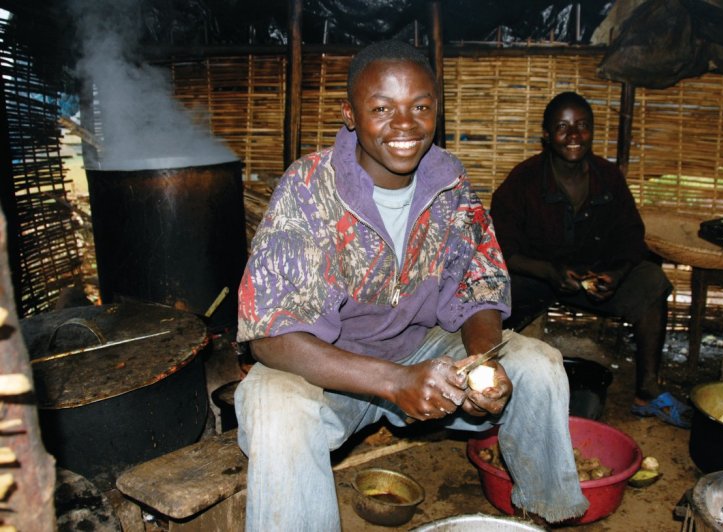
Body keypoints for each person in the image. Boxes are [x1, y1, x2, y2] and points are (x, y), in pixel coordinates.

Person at [234, 40, 588, 530]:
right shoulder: (309, 187)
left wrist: (482, 365)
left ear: (436, 111)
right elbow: (271, 335)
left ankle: (542, 514)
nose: (405, 125)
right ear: (351, 115)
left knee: (540, 366)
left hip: (422, 353)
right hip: (328, 365)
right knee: (275, 411)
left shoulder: (449, 182)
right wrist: (393, 382)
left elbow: (478, 281)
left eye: (420, 107)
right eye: (382, 108)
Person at [490, 91, 691, 429]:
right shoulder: (522, 181)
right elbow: (501, 249)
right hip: (537, 276)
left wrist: (616, 272)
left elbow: (631, 236)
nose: (573, 136)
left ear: (593, 131)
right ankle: (492, 384)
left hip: (595, 280)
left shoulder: (608, 177)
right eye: (562, 127)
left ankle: (648, 393)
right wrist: (550, 272)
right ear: (546, 134)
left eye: (582, 126)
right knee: (494, 290)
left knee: (652, 282)